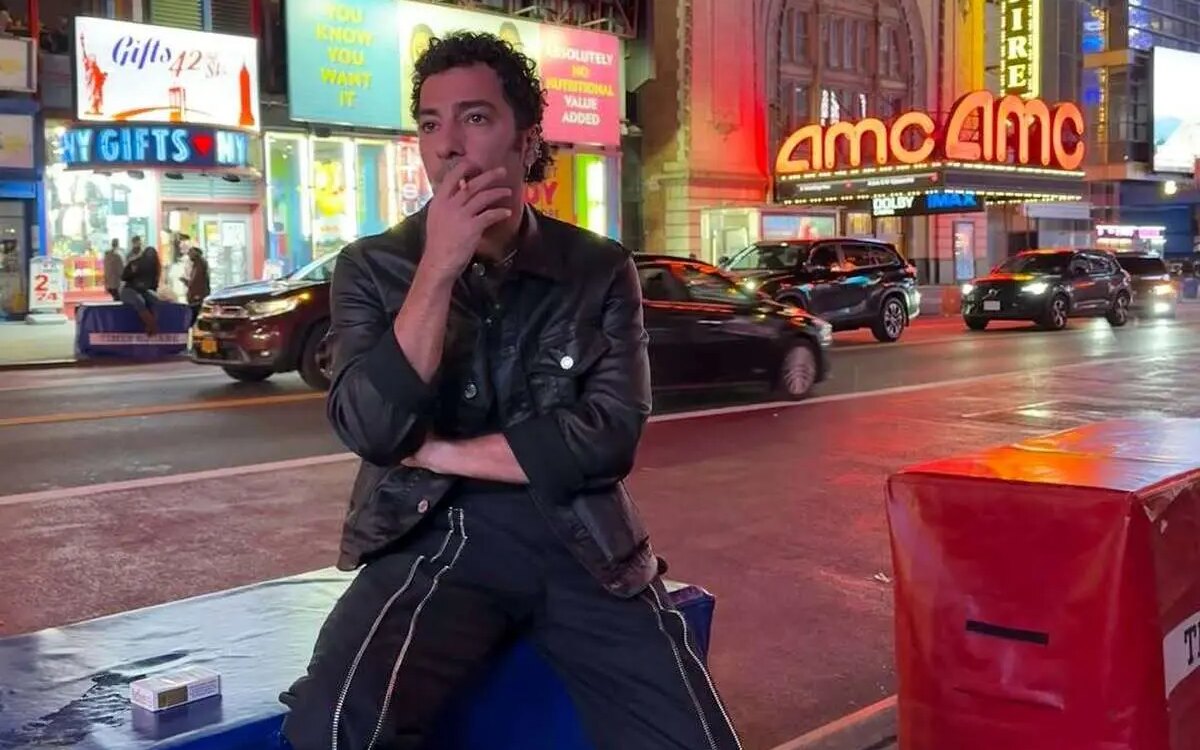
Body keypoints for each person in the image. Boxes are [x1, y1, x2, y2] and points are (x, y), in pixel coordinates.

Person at [279, 31, 741, 750]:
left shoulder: (596, 268)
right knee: (335, 725)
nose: (448, 145)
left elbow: (608, 438)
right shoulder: (373, 267)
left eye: (475, 117)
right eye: (430, 124)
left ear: (526, 142)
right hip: (433, 534)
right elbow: (372, 430)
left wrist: (438, 451)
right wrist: (437, 268)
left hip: (582, 536)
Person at [119, 237, 160, 335]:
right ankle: (151, 325)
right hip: (128, 290)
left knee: (154, 301)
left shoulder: (154, 269)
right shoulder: (135, 263)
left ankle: (151, 325)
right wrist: (132, 272)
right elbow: (124, 277)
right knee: (139, 301)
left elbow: (153, 285)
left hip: (142, 291)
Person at [180, 245, 209, 325]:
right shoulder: (197, 264)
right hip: (196, 297)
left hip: (197, 298)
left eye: (190, 252)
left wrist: (186, 282)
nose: (189, 255)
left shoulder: (200, 264)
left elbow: (196, 282)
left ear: (196, 253)